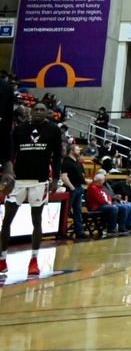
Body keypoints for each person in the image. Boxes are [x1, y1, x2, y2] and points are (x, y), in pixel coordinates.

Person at [1, 104, 62, 276]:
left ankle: (34, 260)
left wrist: (56, 178)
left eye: (43, 110)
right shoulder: (20, 129)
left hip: (39, 181)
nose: (39, 112)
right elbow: (9, 154)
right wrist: (7, 174)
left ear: (47, 113)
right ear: (31, 112)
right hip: (18, 181)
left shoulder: (53, 130)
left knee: (37, 220)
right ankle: (2, 259)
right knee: (7, 220)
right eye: (36, 109)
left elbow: (57, 156)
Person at [60, 143, 88, 241]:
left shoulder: (77, 162)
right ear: (71, 151)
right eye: (77, 150)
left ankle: (79, 231)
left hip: (78, 188)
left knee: (78, 211)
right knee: (66, 211)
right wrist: (72, 188)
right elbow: (64, 176)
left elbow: (81, 175)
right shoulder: (67, 162)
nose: (79, 151)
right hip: (71, 189)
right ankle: (62, 232)